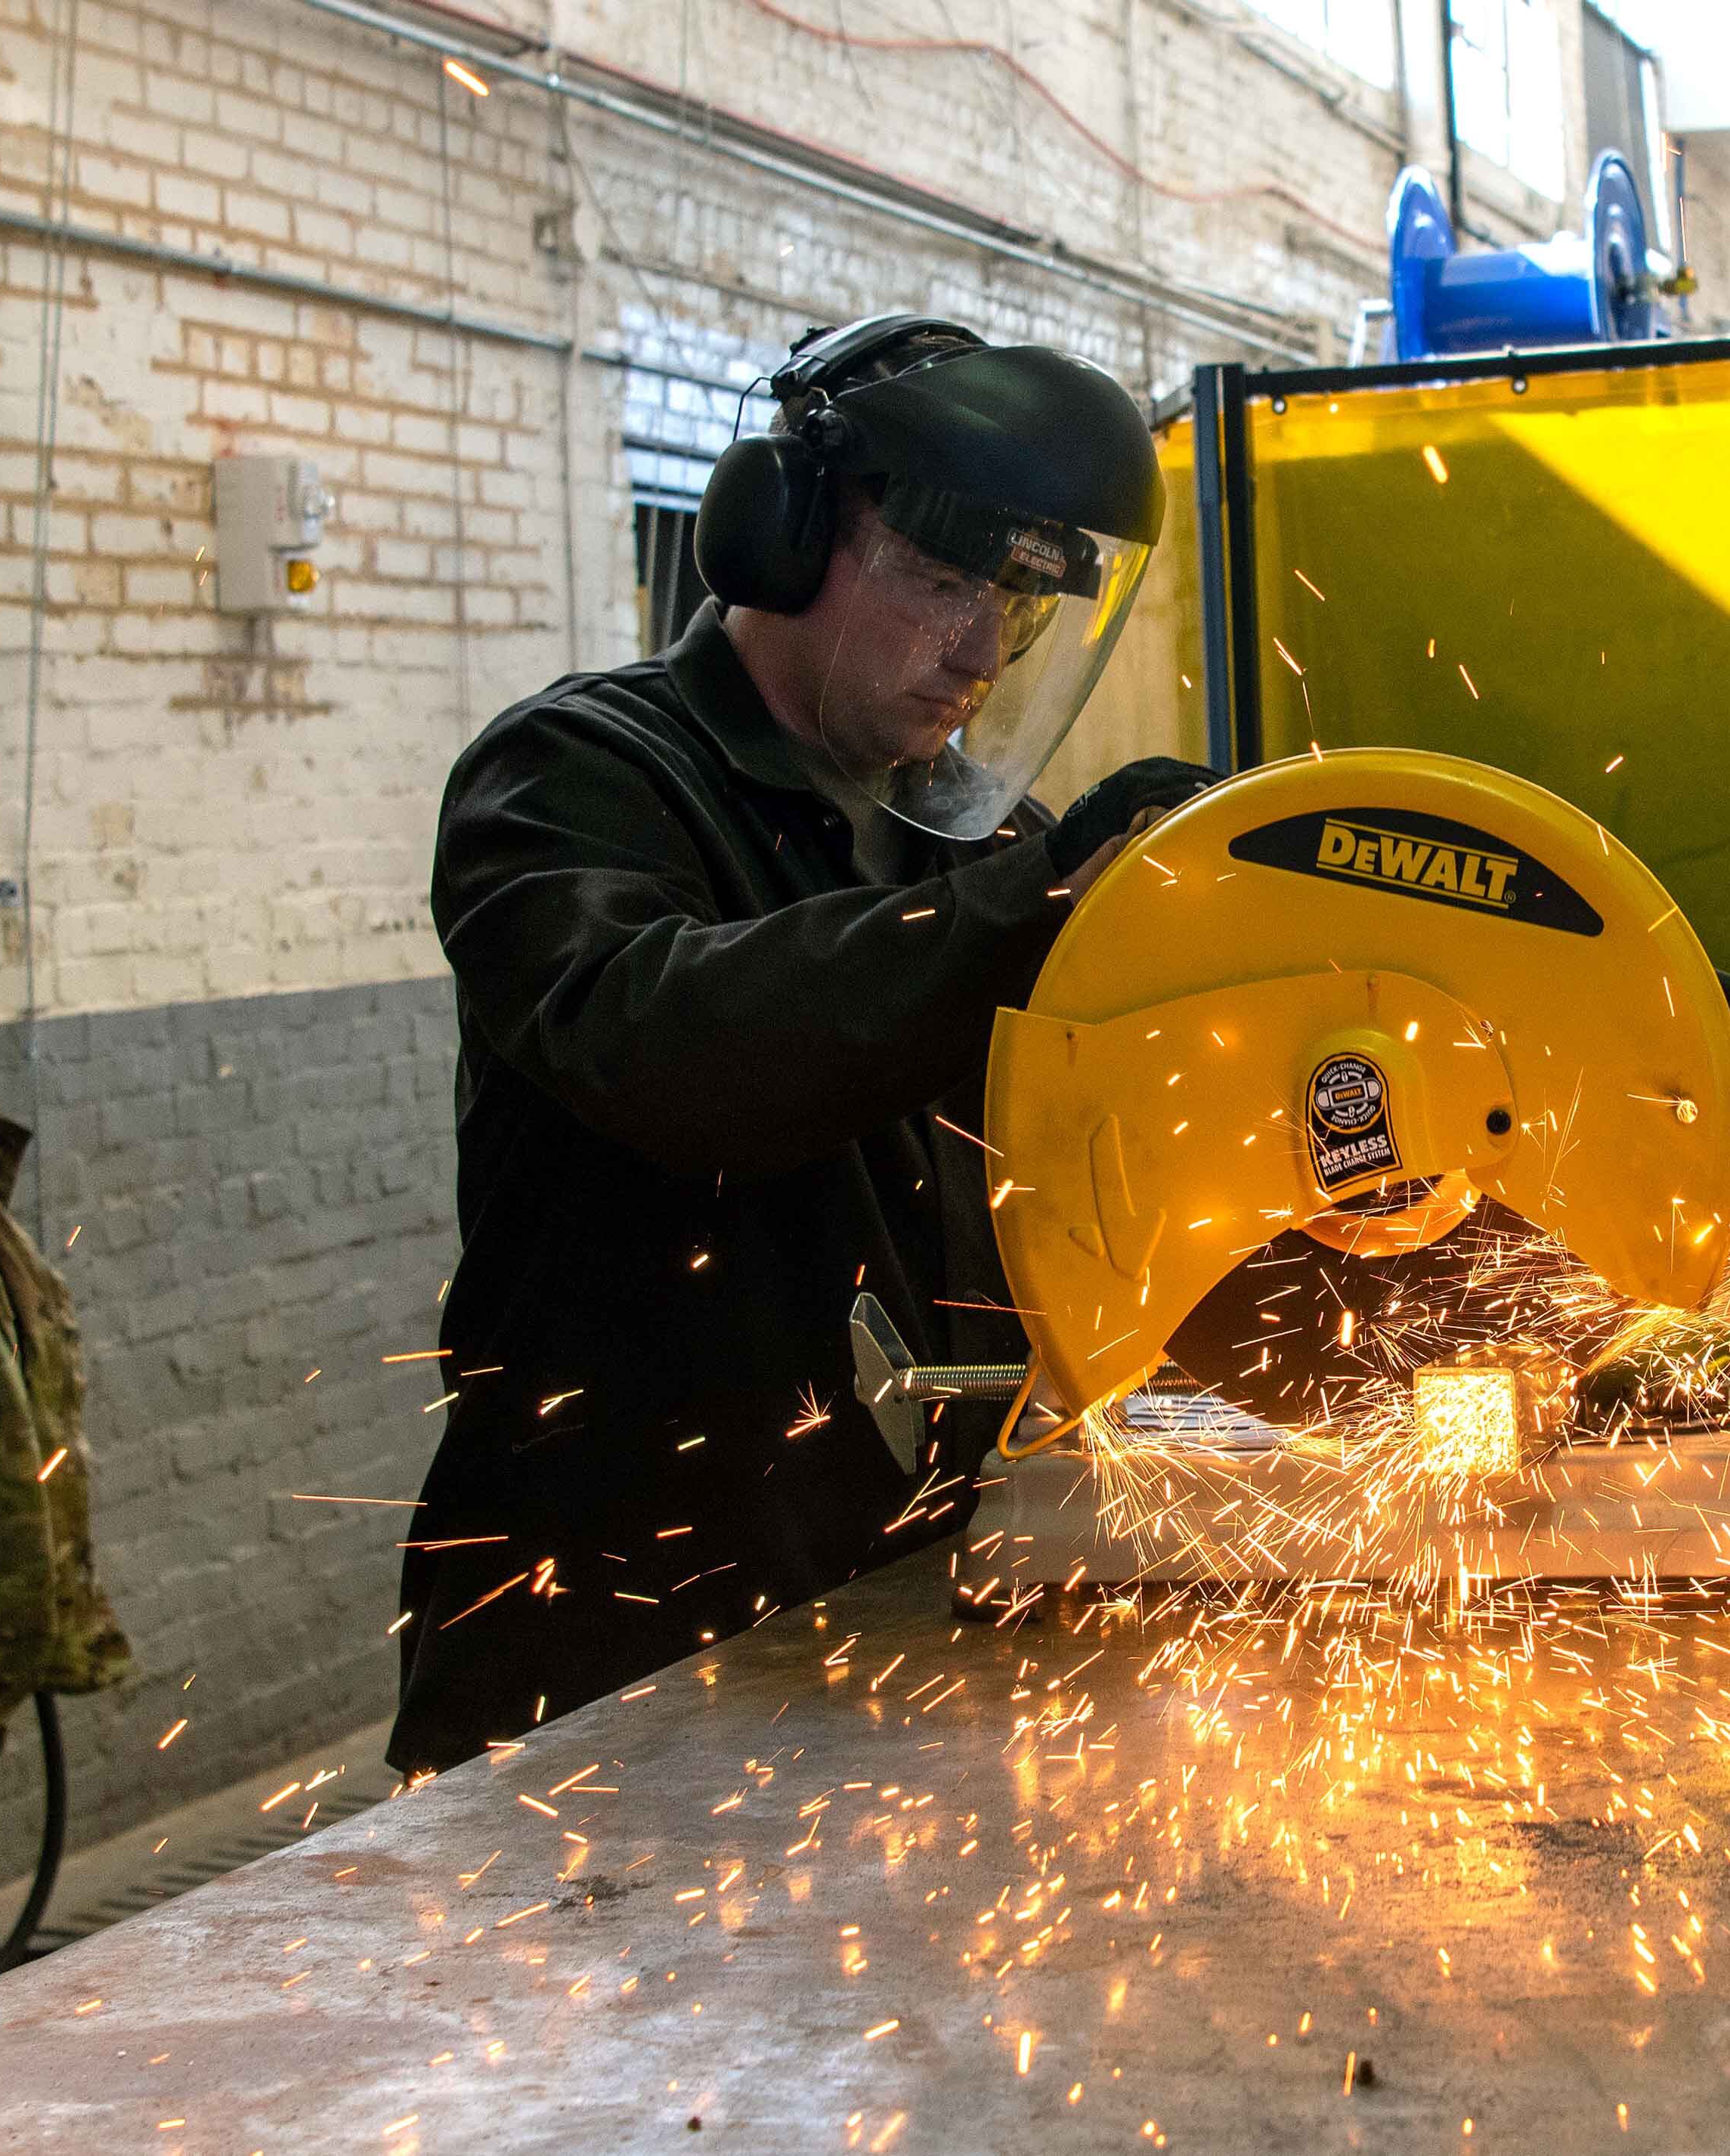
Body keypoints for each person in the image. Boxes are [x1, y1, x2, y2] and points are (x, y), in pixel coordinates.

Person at [385, 315, 1216, 1775]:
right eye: (943, 579)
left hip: (903, 1636)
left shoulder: (986, 850)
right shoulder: (573, 776)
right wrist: (1031, 909)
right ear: (779, 537)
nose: (979, 648)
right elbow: (670, 1042)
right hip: (605, 1664)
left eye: (1016, 602)